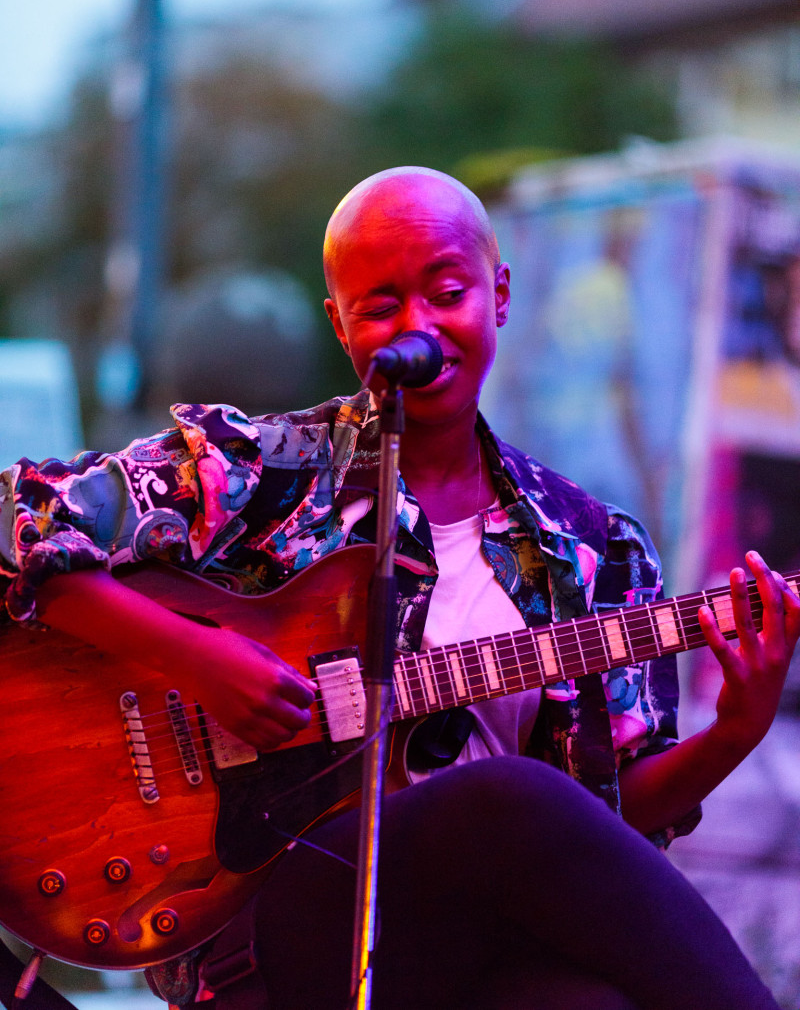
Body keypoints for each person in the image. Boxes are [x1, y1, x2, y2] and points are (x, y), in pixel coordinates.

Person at [1, 167, 799, 1010]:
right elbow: (19, 515)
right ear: (339, 323)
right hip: (278, 927)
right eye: (382, 307)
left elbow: (603, 834)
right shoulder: (260, 472)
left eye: (448, 293)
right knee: (513, 792)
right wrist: (198, 658)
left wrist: (736, 731)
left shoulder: (597, 549)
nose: (419, 327)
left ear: (498, 295)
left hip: (476, 942)